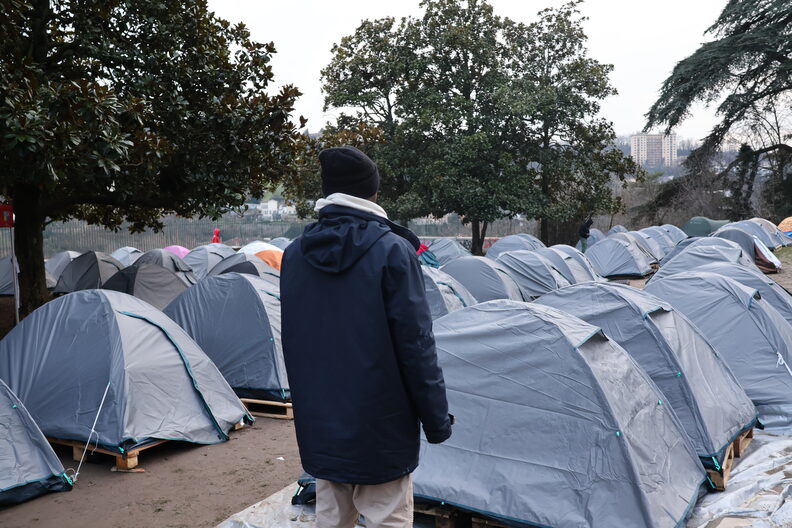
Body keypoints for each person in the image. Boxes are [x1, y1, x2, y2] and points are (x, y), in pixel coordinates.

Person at [281, 146, 453, 528]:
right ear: (371, 192)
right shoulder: (392, 251)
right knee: (387, 518)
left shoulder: (294, 255)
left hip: (322, 427)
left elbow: (294, 344)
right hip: (382, 428)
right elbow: (416, 347)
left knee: (332, 519)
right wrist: (437, 420)